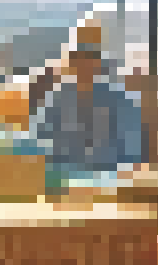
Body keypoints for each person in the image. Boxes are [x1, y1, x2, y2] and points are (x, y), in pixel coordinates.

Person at [28, 45, 146, 179]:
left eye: (89, 65)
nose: (84, 70)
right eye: (79, 66)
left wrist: (121, 173)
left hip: (112, 175)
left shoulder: (118, 98)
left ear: (99, 68)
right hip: (65, 175)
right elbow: (43, 137)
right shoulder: (59, 99)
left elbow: (132, 140)